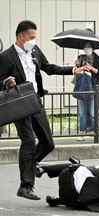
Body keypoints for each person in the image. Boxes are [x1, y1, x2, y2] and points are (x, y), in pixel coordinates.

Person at [0, 20, 87, 200]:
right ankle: (26, 186)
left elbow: (49, 68)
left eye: (35, 37)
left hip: (35, 100)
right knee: (29, 141)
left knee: (48, 143)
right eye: (31, 37)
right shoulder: (6, 56)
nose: (34, 40)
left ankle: (31, 168)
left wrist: (73, 70)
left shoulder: (35, 51)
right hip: (19, 101)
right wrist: (7, 81)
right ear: (20, 36)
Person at [73, 42, 99, 138]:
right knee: (82, 111)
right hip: (81, 87)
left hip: (93, 87)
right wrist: (82, 67)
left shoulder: (97, 58)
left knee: (92, 111)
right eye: (85, 47)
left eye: (88, 47)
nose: (87, 49)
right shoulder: (80, 57)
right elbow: (75, 71)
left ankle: (93, 130)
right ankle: (82, 131)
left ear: (92, 48)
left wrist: (91, 68)